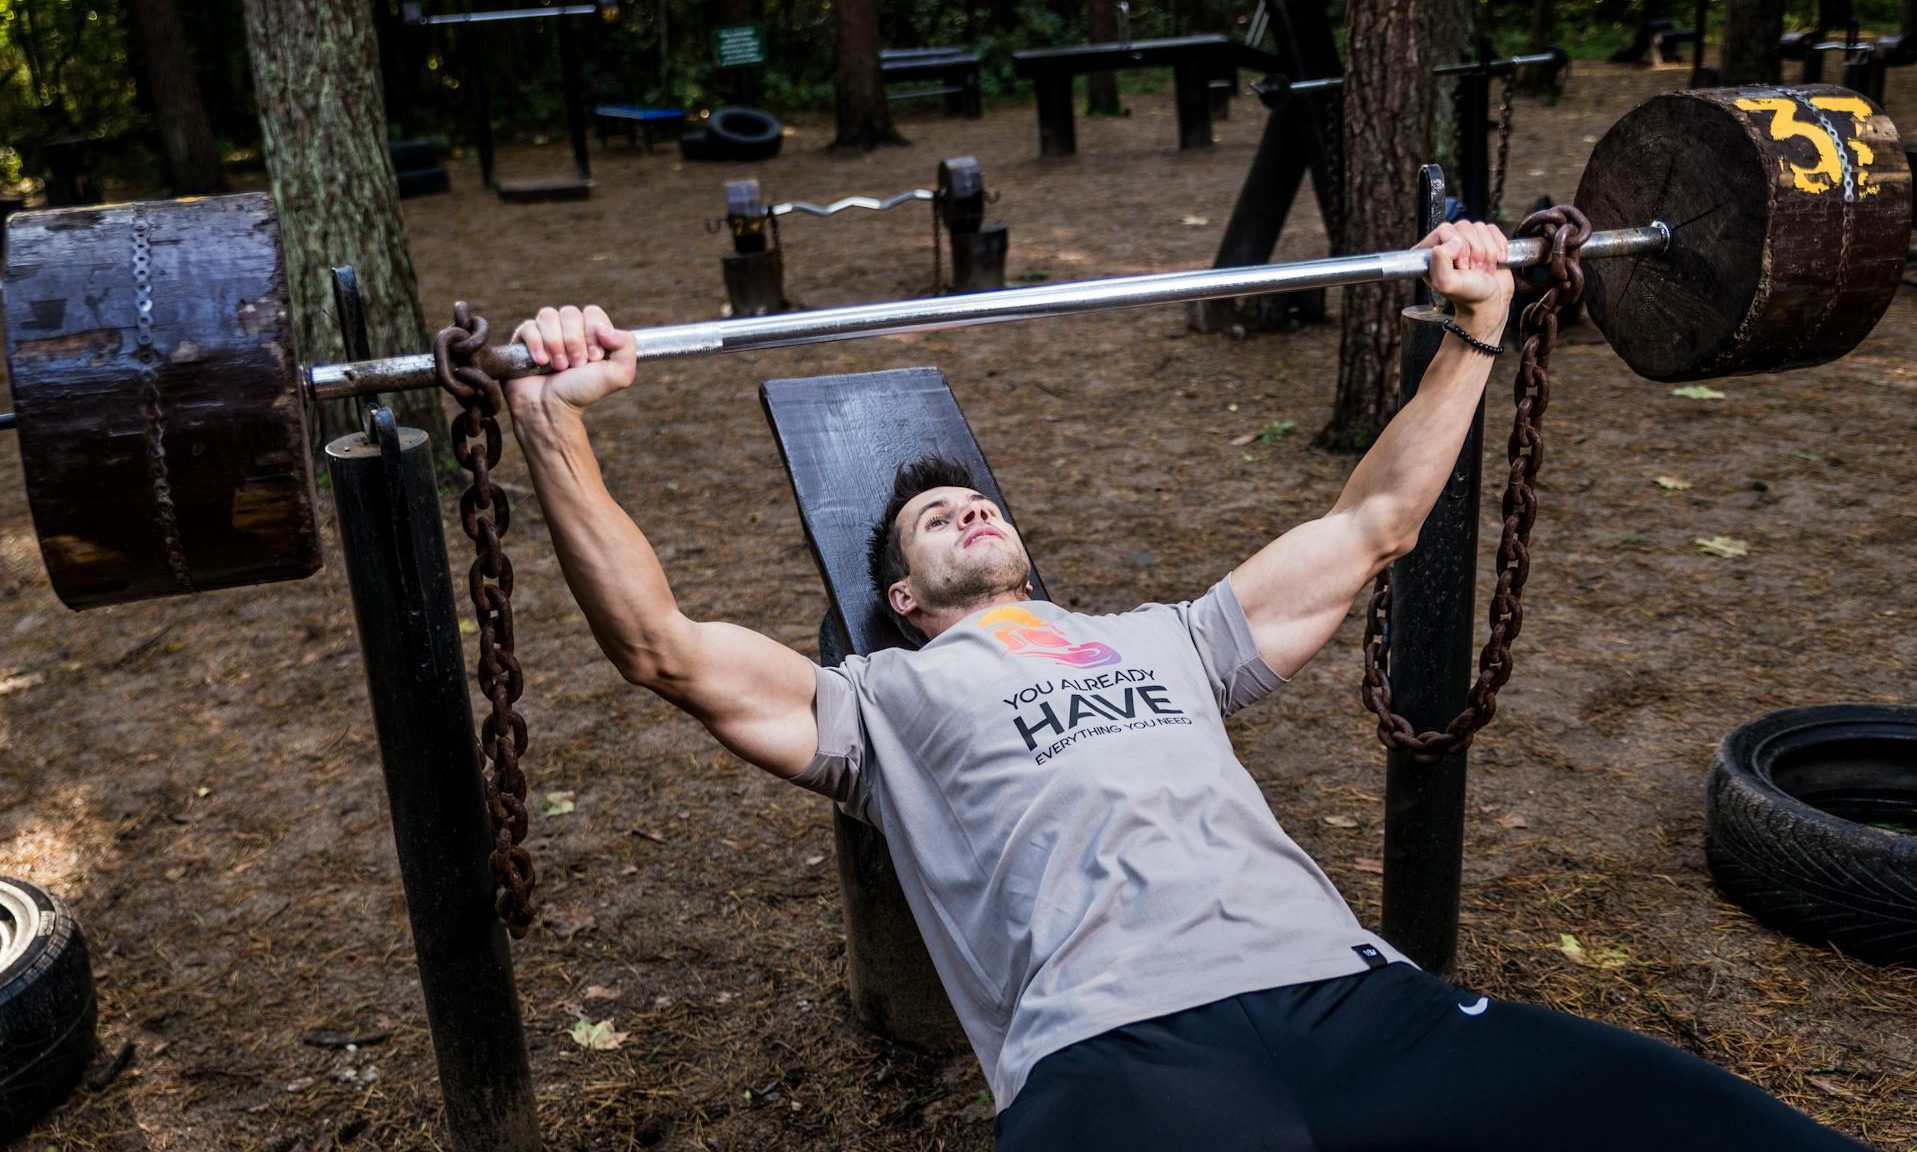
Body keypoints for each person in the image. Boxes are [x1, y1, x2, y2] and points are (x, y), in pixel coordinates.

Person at [503, 222, 1871, 1152]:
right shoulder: (877, 708)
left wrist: (1475, 329)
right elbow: (661, 646)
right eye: (931, 521)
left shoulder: (1172, 639)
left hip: (1352, 1002)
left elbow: (1370, 525)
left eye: (977, 500)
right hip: (1116, 1056)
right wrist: (551, 422)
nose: (967, 508)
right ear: (903, 603)